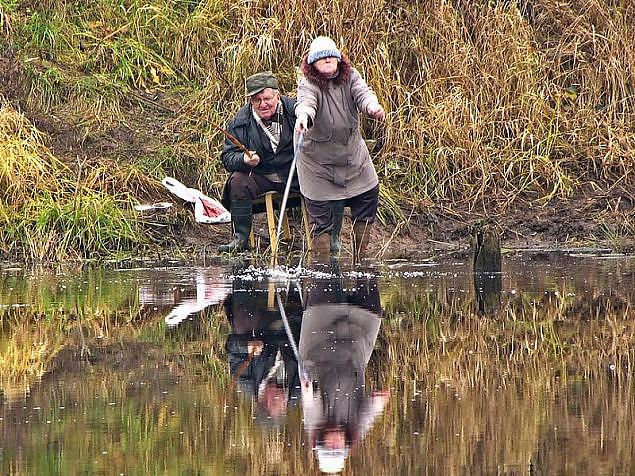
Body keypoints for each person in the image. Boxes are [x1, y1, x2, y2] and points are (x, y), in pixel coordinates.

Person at [294, 36, 386, 260]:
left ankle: (361, 258)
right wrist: (303, 116)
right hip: (317, 164)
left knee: (369, 193)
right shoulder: (308, 83)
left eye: (330, 56)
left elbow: (363, 94)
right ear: (313, 64)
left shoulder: (351, 76)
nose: (327, 60)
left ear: (338, 58)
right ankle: (323, 263)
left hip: (352, 157)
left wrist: (373, 107)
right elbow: (306, 102)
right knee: (320, 216)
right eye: (321, 57)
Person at [219, 71, 299, 252]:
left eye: (267, 98)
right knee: (238, 181)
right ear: (250, 101)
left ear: (277, 95)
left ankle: (325, 237)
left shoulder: (296, 111)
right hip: (263, 177)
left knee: (319, 175)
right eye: (256, 100)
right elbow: (228, 158)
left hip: (296, 175)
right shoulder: (240, 122)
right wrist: (244, 159)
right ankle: (240, 239)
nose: (262, 104)